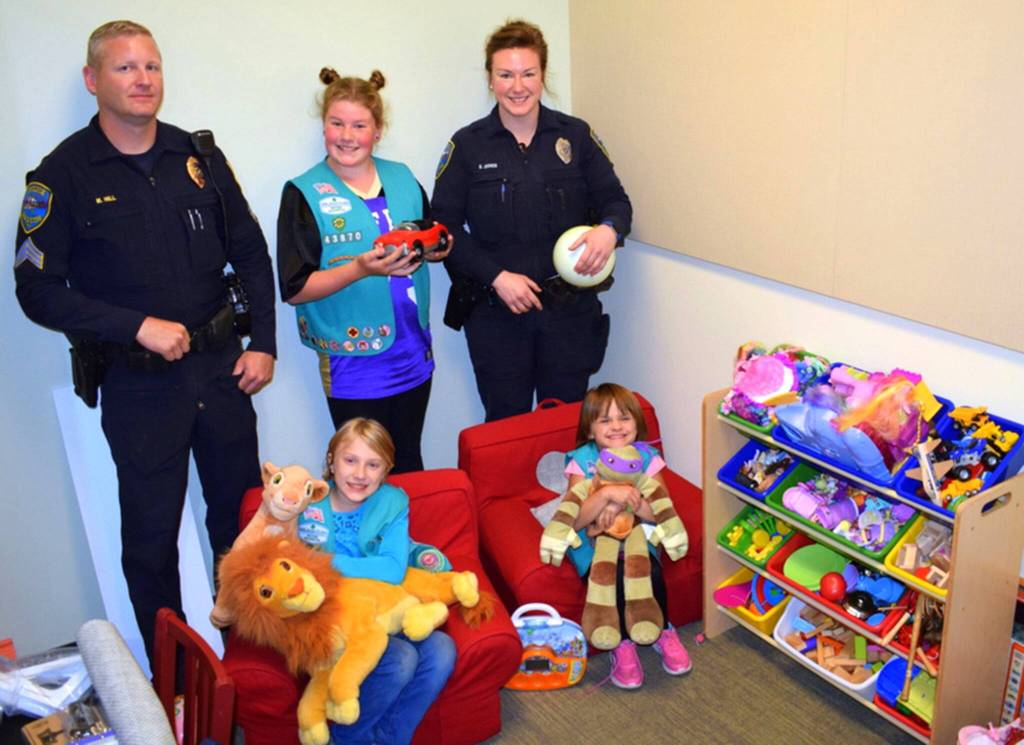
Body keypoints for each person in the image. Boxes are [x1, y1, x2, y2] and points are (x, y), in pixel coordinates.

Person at [13, 20, 276, 664]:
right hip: (139, 386)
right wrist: (136, 327)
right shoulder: (61, 176)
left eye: (152, 67)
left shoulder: (199, 157)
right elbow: (35, 289)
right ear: (92, 80)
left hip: (221, 369)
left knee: (242, 525)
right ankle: (183, 684)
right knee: (152, 541)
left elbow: (248, 250)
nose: (143, 80)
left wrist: (263, 341)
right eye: (126, 68)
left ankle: (253, 666)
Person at [431, 19, 632, 422]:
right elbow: (444, 228)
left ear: (543, 76)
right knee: (507, 428)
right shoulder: (468, 145)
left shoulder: (575, 136)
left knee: (566, 425)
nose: (517, 86)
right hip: (497, 314)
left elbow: (617, 202)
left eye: (528, 73)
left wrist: (608, 231)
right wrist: (497, 277)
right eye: (505, 74)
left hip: (569, 313)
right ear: (490, 79)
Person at [277, 68, 451, 473]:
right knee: (361, 471)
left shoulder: (403, 177)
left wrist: (437, 250)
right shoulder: (303, 192)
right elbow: (295, 288)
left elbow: (425, 236)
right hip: (351, 362)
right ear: (323, 128)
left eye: (359, 125)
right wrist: (358, 268)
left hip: (413, 351)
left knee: (408, 461)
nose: (347, 135)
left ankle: (408, 539)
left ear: (378, 130)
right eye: (336, 124)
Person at [297, 418, 455, 744]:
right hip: (335, 621)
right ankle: (345, 739)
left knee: (442, 649)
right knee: (400, 658)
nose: (359, 474)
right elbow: (304, 574)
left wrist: (328, 563)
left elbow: (393, 569)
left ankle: (388, 739)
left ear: (386, 471)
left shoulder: (393, 502)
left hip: (384, 611)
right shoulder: (309, 505)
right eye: (350, 460)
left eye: (373, 465)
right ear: (331, 460)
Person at [562, 383, 691, 689]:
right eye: (605, 420)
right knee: (611, 576)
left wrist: (622, 501)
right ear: (590, 429)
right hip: (592, 542)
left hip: (637, 536)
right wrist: (606, 493)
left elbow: (660, 510)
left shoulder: (647, 458)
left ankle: (663, 630)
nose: (617, 426)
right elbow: (574, 519)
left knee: (647, 571)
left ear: (637, 423)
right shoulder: (582, 459)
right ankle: (622, 645)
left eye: (624, 418)